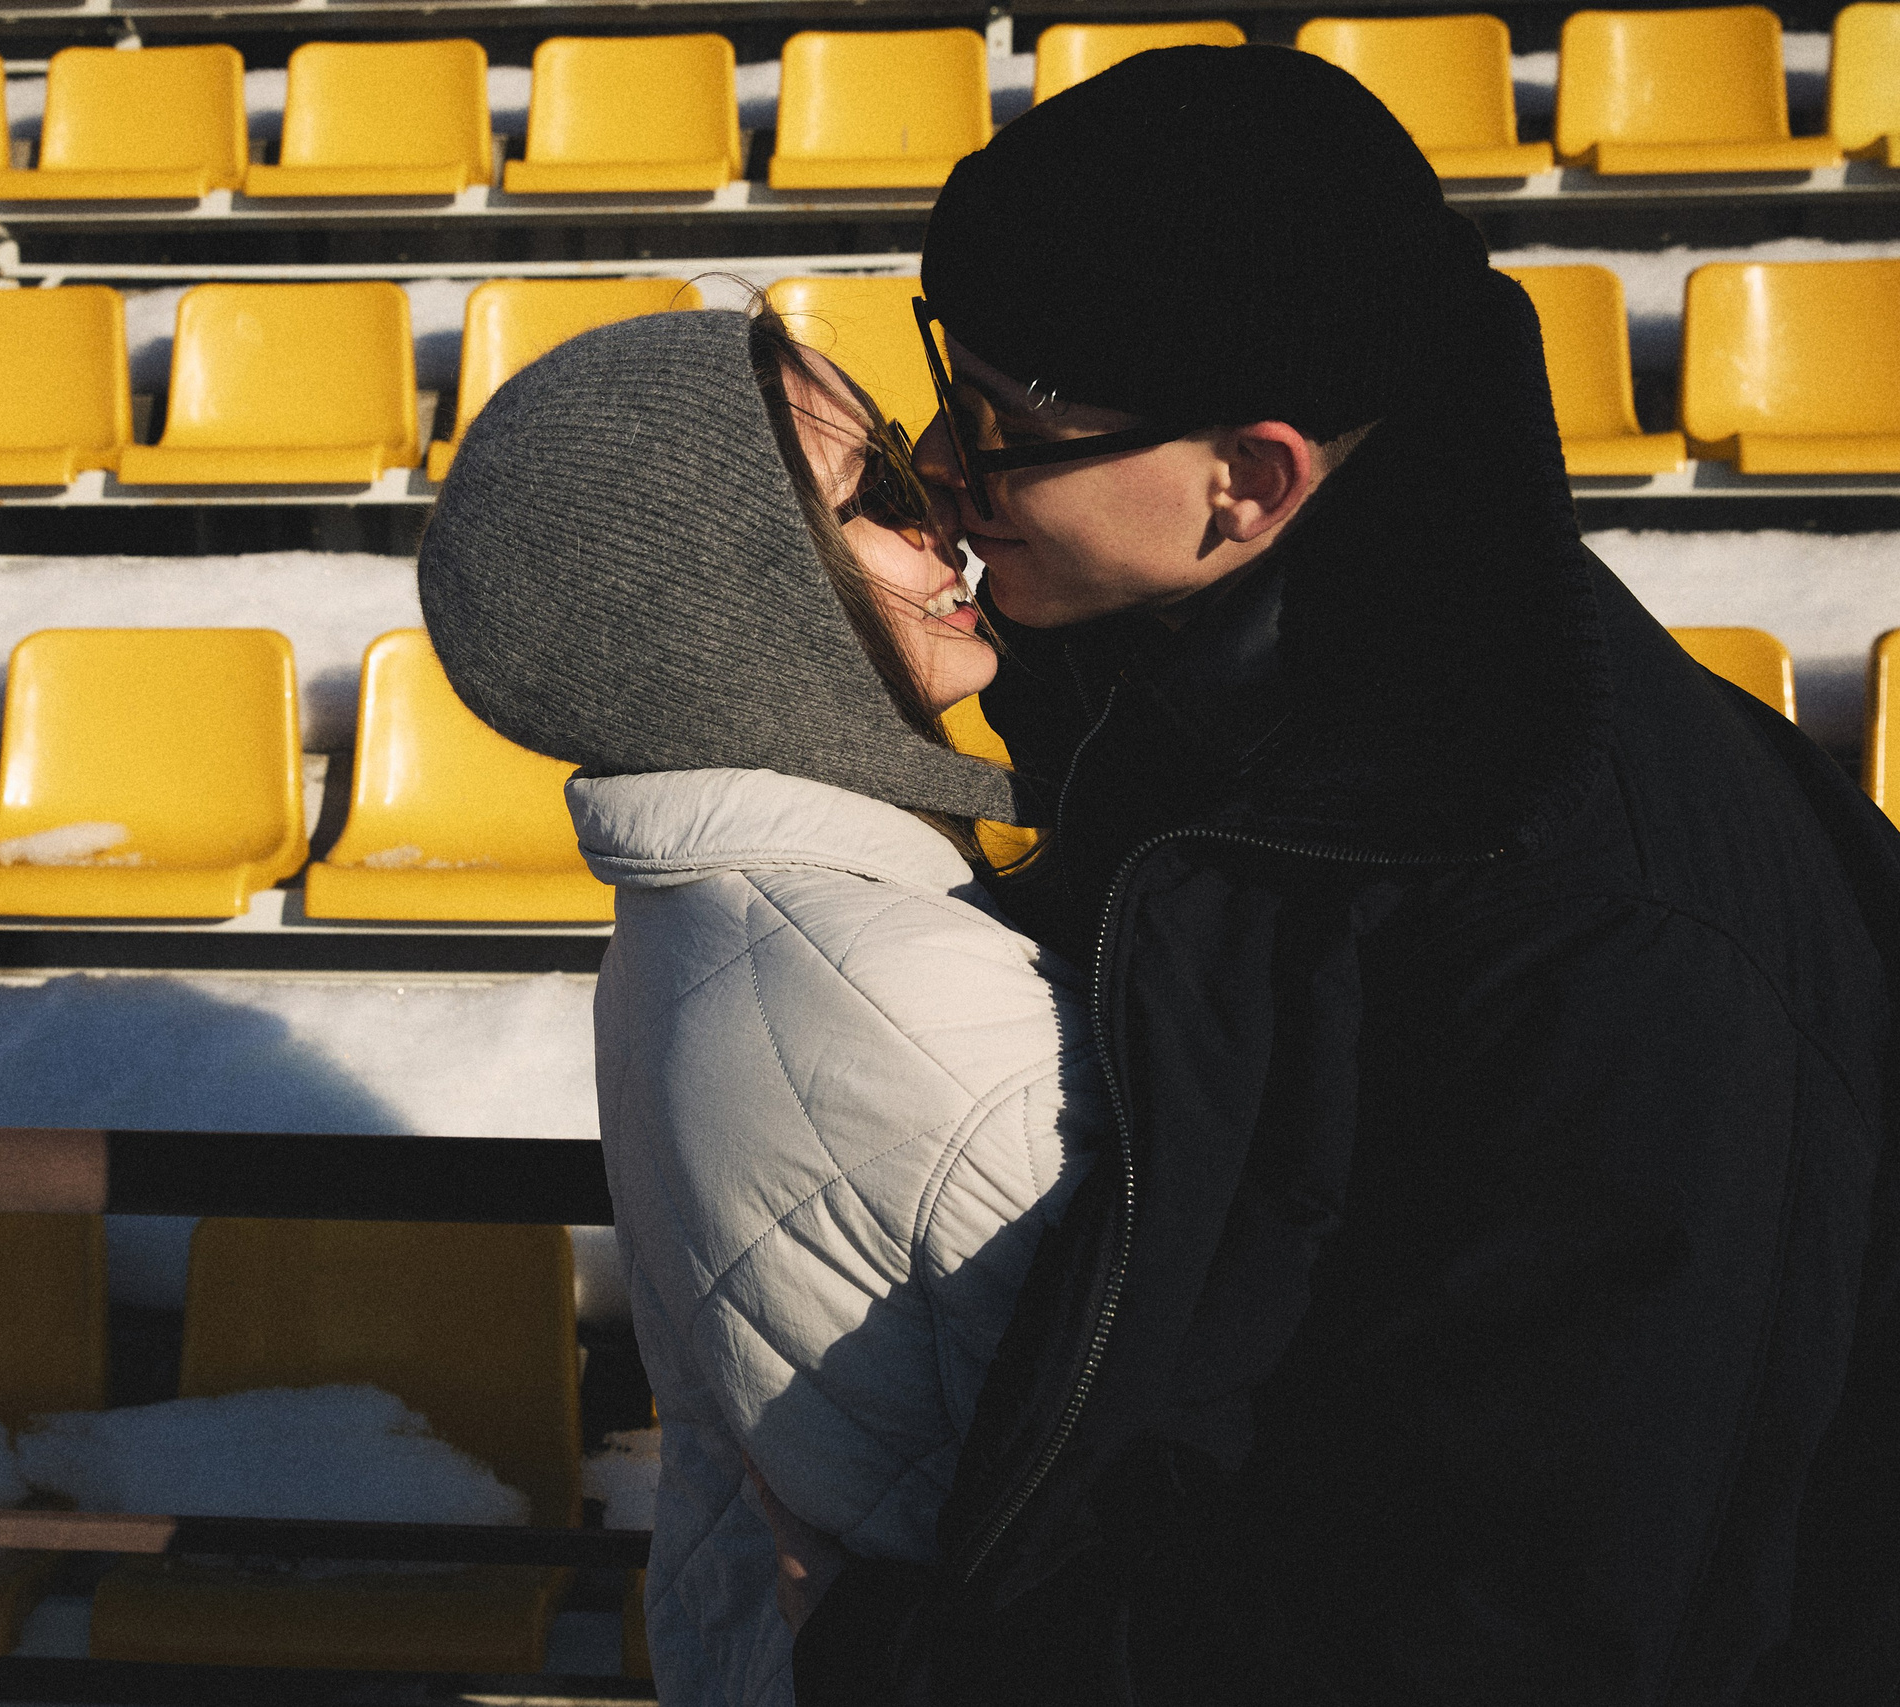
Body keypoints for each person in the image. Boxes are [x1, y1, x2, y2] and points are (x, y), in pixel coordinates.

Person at [784, 44, 1900, 1704]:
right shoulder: (1213, 689)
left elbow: (1505, 1622)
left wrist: (913, 1666)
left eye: (1008, 426)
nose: (944, 462)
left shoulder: (1598, 922)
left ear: (1250, 483)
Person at [414, 305, 1101, 1707]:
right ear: (726, 596)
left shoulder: (705, 905)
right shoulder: (916, 1001)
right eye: (885, 501)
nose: (948, 537)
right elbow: (1138, 1546)